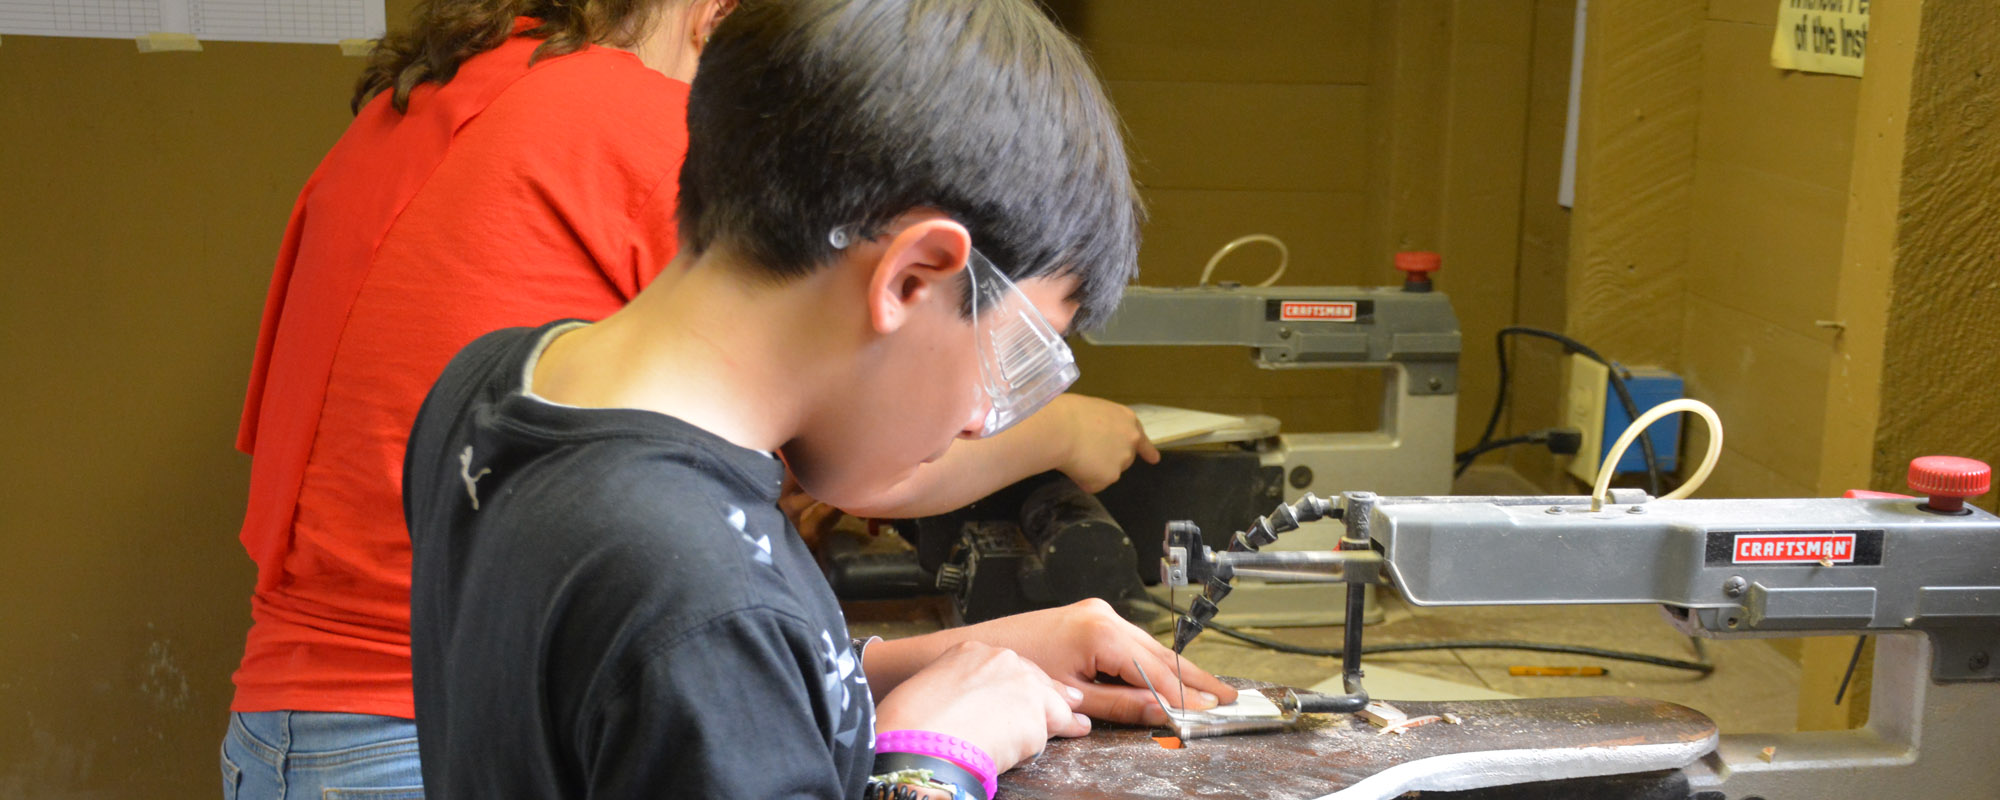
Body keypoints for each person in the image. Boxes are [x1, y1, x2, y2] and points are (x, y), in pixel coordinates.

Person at [222, 0, 1159, 796]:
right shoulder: (702, 597)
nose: (978, 419)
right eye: (1014, 361)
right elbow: (699, 639)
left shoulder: (492, 382)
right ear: (913, 277)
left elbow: (650, 679)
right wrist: (929, 761)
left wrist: (920, 672)